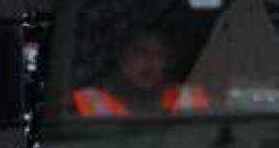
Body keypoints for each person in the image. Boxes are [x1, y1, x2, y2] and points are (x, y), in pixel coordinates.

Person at [70, 29, 206, 117]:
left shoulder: (188, 98)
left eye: (159, 54)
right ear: (122, 58)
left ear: (167, 62)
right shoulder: (90, 101)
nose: (151, 60)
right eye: (140, 52)